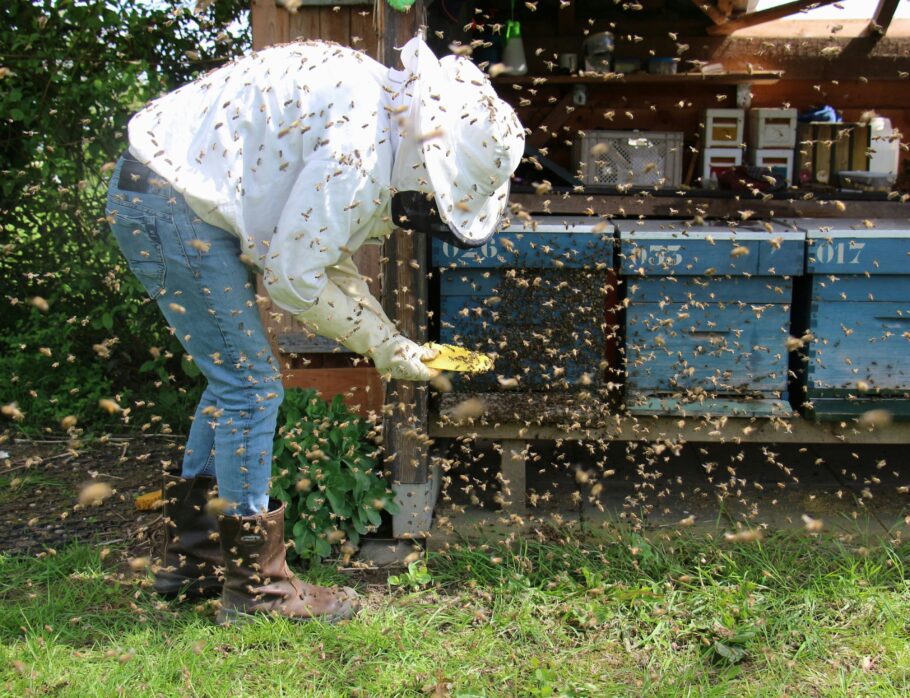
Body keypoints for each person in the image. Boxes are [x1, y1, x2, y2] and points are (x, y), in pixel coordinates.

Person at [105, 35, 524, 624]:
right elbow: (295, 280)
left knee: (234, 376)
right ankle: (259, 591)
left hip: (164, 192)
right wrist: (385, 346)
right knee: (251, 386)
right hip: (168, 204)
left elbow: (322, 255)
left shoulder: (375, 102)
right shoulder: (359, 148)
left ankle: (194, 555)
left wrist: (391, 341)